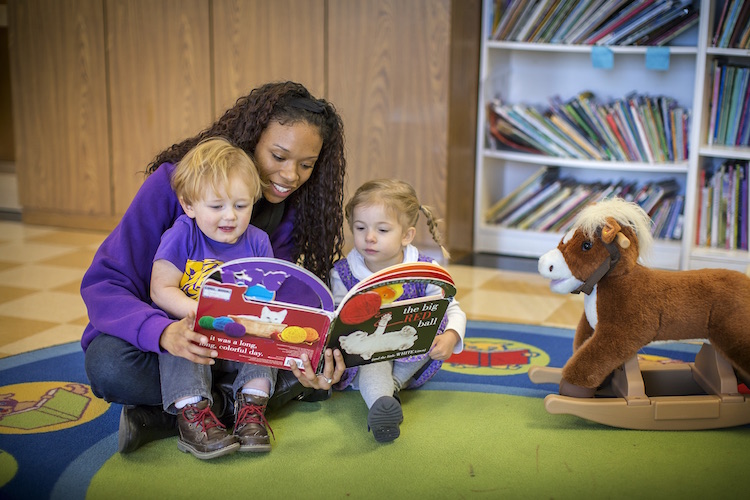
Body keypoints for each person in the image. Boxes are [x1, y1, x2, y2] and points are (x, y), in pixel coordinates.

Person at [80, 81, 348, 454]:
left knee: (313, 363)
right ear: (251, 139)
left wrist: (306, 355)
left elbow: (277, 306)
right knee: (109, 367)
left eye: (306, 164)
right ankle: (234, 406)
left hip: (238, 343)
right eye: (278, 156)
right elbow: (105, 283)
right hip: (171, 341)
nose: (290, 176)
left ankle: (179, 414)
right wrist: (162, 333)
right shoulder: (175, 184)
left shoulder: (288, 212)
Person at [150, 137, 278, 459]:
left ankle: (250, 410)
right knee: (181, 339)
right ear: (190, 204)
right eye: (216, 206)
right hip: (197, 330)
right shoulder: (182, 234)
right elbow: (160, 289)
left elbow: (267, 299)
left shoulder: (259, 242)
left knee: (270, 342)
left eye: (240, 205)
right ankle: (193, 416)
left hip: (239, 338)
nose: (230, 216)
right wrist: (198, 310)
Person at [329, 179, 467, 442]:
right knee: (374, 361)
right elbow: (337, 319)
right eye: (360, 228)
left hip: (411, 349)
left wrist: (450, 337)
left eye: (382, 230)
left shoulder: (427, 270)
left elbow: (453, 309)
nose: (369, 237)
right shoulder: (343, 273)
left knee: (429, 335)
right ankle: (383, 403)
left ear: (406, 235)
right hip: (369, 352)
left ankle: (383, 392)